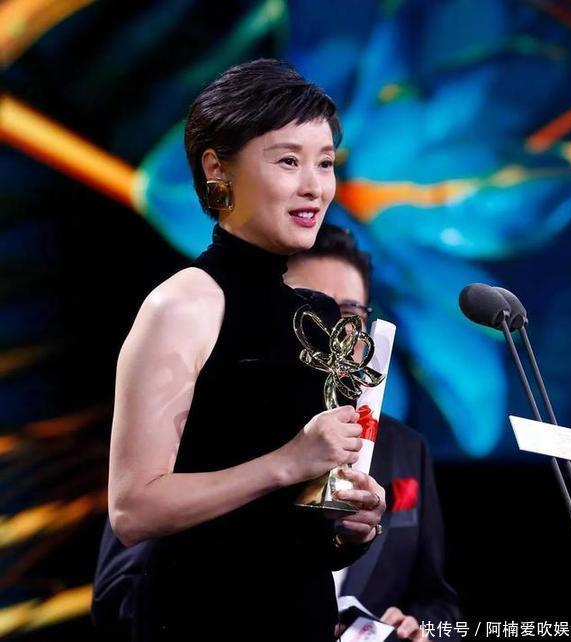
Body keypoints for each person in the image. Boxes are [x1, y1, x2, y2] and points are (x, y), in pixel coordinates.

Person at [93, 59, 386, 642]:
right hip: (198, 620)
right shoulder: (183, 305)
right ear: (217, 168)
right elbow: (133, 510)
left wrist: (350, 524)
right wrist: (287, 462)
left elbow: (298, 523)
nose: (314, 186)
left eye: (325, 163)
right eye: (288, 161)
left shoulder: (322, 318)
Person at [284, 224, 461, 642]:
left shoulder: (406, 449)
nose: (335, 331)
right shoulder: (224, 432)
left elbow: (438, 604)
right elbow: (135, 585)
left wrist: (422, 631)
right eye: (311, 309)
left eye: (349, 314)